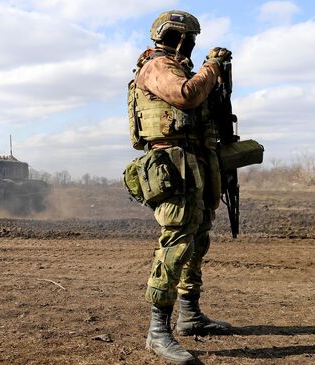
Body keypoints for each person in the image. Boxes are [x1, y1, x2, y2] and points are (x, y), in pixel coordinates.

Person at [129, 10, 233, 365]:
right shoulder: (158, 67)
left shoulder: (177, 66)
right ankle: (158, 332)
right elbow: (185, 95)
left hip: (196, 162)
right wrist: (211, 68)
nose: (190, 45)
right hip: (173, 167)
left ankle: (190, 315)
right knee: (176, 241)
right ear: (179, 37)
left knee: (198, 238)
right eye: (189, 39)